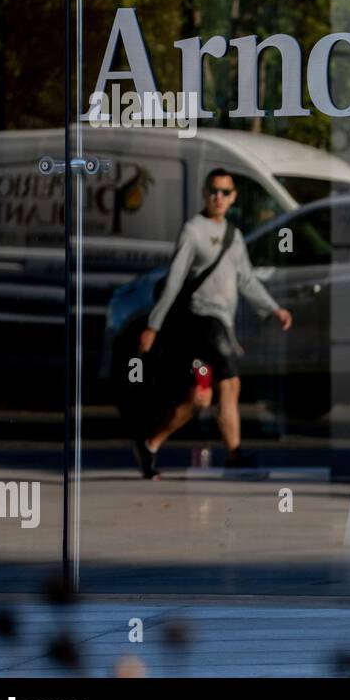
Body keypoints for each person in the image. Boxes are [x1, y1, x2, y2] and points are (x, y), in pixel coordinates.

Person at [131, 168, 293, 479]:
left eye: (225, 192)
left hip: (219, 327)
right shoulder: (193, 230)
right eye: (213, 191)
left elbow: (247, 280)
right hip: (201, 324)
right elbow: (175, 280)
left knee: (200, 398)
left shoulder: (234, 236)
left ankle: (150, 445)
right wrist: (153, 325)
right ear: (205, 194)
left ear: (233, 198)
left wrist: (274, 309)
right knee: (230, 383)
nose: (219, 197)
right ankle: (233, 456)